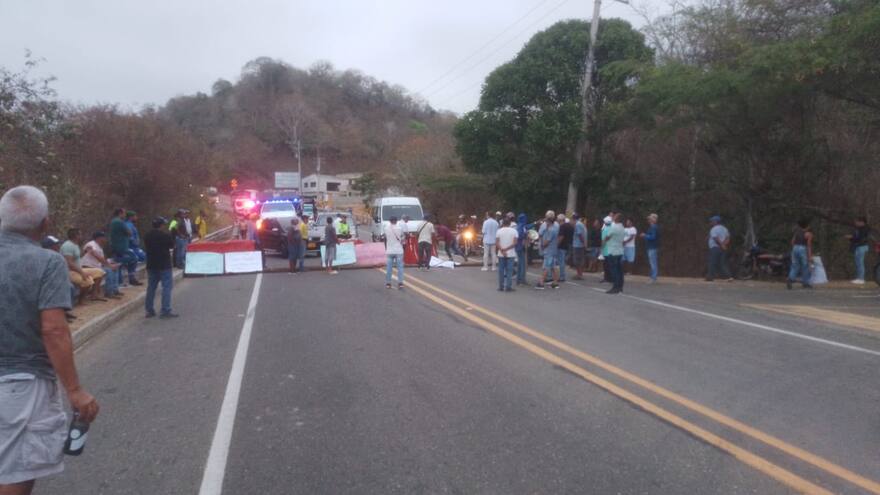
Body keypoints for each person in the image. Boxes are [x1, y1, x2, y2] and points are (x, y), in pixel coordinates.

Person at [0, 185, 100, 495]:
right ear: (45, 224)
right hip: (20, 384)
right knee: (15, 472)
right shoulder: (47, 262)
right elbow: (54, 330)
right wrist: (75, 390)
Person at [60, 228, 106, 305]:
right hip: (69, 271)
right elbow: (69, 263)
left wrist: (85, 252)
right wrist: (82, 272)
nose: (81, 236)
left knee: (99, 272)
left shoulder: (75, 244)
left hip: (78, 269)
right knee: (88, 281)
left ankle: (94, 295)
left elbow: (77, 257)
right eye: (80, 234)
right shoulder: (67, 246)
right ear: (76, 235)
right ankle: (80, 300)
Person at [144, 217, 178, 318]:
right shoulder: (165, 235)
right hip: (164, 264)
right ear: (161, 225)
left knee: (151, 288)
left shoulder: (147, 235)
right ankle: (165, 310)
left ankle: (149, 310)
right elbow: (172, 246)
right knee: (166, 287)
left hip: (151, 264)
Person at [81, 232, 122, 299]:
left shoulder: (99, 247)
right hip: (88, 266)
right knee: (109, 270)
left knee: (115, 268)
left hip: (96, 267)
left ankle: (115, 290)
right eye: (104, 237)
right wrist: (109, 265)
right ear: (99, 238)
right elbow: (96, 255)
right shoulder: (91, 244)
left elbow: (102, 259)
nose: (105, 239)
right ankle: (109, 293)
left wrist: (111, 264)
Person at [110, 208, 140, 287]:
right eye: (124, 213)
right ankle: (116, 262)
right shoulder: (119, 222)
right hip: (121, 246)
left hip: (116, 245)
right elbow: (129, 233)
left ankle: (121, 281)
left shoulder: (113, 221)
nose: (125, 215)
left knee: (122, 263)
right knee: (134, 258)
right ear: (120, 213)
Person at [787, 218, 814, 290]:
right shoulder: (809, 234)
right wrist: (810, 256)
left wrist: (795, 248)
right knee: (805, 266)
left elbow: (792, 242)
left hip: (795, 248)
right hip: (803, 248)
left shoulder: (797, 232)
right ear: (807, 226)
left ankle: (790, 278)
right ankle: (806, 282)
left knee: (795, 265)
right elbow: (809, 245)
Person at [536, 211, 560, 290]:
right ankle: (555, 282)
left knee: (546, 266)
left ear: (549, 221)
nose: (545, 222)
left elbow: (547, 241)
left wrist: (542, 245)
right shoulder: (555, 227)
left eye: (546, 221)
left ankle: (541, 282)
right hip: (553, 249)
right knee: (553, 266)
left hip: (548, 250)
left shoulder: (551, 230)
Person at [706, 215, 733, 282]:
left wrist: (721, 245)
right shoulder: (725, 228)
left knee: (712, 262)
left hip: (715, 248)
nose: (711, 222)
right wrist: (724, 245)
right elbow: (728, 238)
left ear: (716, 221)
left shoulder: (714, 229)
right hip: (723, 249)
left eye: (712, 221)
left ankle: (710, 277)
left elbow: (715, 238)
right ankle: (729, 276)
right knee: (722, 263)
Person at [604, 213, 626, 294]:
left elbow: (607, 237)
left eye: (615, 216)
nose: (613, 217)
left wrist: (605, 241)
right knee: (619, 270)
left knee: (614, 270)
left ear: (617, 219)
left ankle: (615, 287)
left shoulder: (614, 227)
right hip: (619, 250)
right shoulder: (622, 227)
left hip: (613, 250)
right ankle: (620, 286)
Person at [496, 217, 518, 292]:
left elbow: (497, 242)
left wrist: (502, 250)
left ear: (503, 223)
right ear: (510, 223)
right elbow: (515, 243)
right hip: (511, 253)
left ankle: (501, 286)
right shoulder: (514, 231)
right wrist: (507, 249)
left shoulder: (499, 231)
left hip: (501, 253)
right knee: (509, 271)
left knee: (501, 270)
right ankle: (508, 286)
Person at [846, 216, 871, 284]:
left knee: (860, 263)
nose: (856, 222)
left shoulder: (864, 229)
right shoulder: (859, 229)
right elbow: (857, 238)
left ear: (862, 222)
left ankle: (861, 278)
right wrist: (851, 238)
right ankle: (859, 278)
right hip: (859, 246)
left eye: (857, 221)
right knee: (858, 263)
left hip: (861, 247)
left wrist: (852, 237)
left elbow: (861, 239)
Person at [384, 216, 406, 289]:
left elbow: (385, 238)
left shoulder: (386, 228)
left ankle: (388, 283)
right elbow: (403, 238)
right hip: (398, 250)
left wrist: (386, 248)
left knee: (389, 268)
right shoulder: (400, 229)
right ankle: (400, 283)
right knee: (400, 267)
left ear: (390, 221)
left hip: (389, 250)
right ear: (396, 221)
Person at [640, 213, 660, 284]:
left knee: (653, 263)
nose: (649, 220)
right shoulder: (652, 227)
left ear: (654, 219)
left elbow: (653, 237)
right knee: (653, 263)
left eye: (650, 218)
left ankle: (653, 278)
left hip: (652, 247)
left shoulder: (653, 227)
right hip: (651, 247)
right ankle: (652, 277)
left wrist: (645, 235)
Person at [515, 213, 532, 286]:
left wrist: (535, 223)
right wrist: (526, 235)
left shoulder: (520, 225)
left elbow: (528, 226)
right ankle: (522, 280)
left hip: (519, 247)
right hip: (521, 247)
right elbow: (520, 235)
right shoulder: (521, 226)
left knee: (520, 264)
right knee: (523, 264)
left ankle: (519, 280)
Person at [557, 215, 573, 282]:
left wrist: (557, 244)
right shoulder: (570, 226)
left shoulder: (562, 226)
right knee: (563, 261)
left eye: (557, 220)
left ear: (560, 220)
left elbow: (561, 236)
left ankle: (562, 277)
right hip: (568, 245)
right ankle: (562, 276)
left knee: (561, 262)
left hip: (562, 246)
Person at [571, 214, 587, 280]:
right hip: (579, 245)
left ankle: (579, 274)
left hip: (578, 245)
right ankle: (580, 274)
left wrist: (583, 243)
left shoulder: (577, 224)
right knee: (580, 260)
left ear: (573, 219)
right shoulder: (581, 224)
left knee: (577, 260)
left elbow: (580, 234)